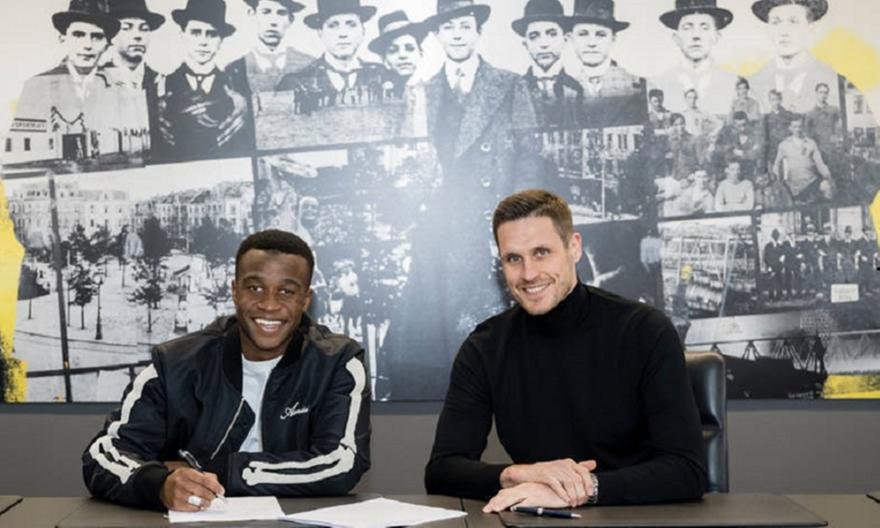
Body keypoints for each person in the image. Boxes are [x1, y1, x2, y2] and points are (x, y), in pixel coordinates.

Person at [425, 189, 706, 508]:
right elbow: (441, 471)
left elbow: (688, 471)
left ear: (574, 247)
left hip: (638, 518)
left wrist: (581, 490)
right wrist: (519, 475)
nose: (528, 274)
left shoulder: (644, 330)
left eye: (541, 252)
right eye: (513, 258)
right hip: (537, 518)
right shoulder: (485, 346)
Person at [82, 230, 370, 511]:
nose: (269, 304)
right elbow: (103, 455)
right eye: (254, 288)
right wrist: (159, 484)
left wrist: (214, 471)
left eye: (286, 291)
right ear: (234, 291)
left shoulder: (338, 362)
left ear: (305, 299)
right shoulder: (174, 363)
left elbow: (342, 464)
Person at [384, 0, 529, 400]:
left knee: (493, 338)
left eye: (465, 25)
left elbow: (528, 162)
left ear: (478, 30)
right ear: (436, 35)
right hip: (438, 233)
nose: (458, 35)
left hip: (490, 228)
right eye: (449, 27)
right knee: (430, 342)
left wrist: (515, 228)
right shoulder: (422, 93)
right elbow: (409, 166)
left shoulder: (510, 84)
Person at [149, 0, 254, 163]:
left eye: (212, 34)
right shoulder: (159, 86)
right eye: (195, 32)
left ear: (221, 40)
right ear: (182, 34)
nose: (203, 41)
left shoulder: (237, 87)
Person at [275, 0, 384, 107]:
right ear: (320, 32)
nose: (343, 34)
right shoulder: (294, 81)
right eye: (333, 25)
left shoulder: (382, 74)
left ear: (363, 31)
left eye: (351, 25)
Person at [748, 0, 841, 113]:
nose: (783, 32)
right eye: (776, 22)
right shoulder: (753, 82)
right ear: (768, 29)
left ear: (811, 28)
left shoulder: (832, 79)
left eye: (794, 22)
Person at [652, 0, 738, 115]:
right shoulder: (661, 82)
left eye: (704, 28)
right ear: (676, 38)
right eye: (687, 28)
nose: (696, 36)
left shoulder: (732, 82)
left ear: (716, 37)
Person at [569, 0, 645, 127]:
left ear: (613, 38)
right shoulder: (563, 89)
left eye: (601, 34)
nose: (591, 43)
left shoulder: (639, 87)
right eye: (583, 34)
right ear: (571, 38)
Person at [512, 0, 584, 129]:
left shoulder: (577, 88)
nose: (544, 44)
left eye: (552, 34)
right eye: (534, 36)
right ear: (525, 44)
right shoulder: (515, 89)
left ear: (565, 39)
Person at [234, 0, 314, 95]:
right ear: (252, 14)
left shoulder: (309, 65)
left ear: (291, 19)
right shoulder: (234, 69)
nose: (273, 21)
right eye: (265, 12)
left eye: (281, 13)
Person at [104, 0, 165, 90]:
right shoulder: (100, 79)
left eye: (144, 29)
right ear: (111, 35)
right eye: (126, 28)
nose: (137, 36)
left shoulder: (161, 82)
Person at [368, 11, 428, 98]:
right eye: (393, 50)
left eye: (410, 49)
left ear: (421, 54)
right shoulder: (382, 93)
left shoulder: (437, 87)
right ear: (384, 60)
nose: (402, 55)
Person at [772, 116, 833, 203]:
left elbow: (820, 164)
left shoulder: (810, 143)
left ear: (803, 127)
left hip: (811, 181)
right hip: (794, 185)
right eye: (795, 127)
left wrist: (828, 176)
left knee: (826, 187)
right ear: (790, 128)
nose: (798, 129)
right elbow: (776, 165)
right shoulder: (784, 145)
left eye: (800, 126)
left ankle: (829, 210)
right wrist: (778, 181)